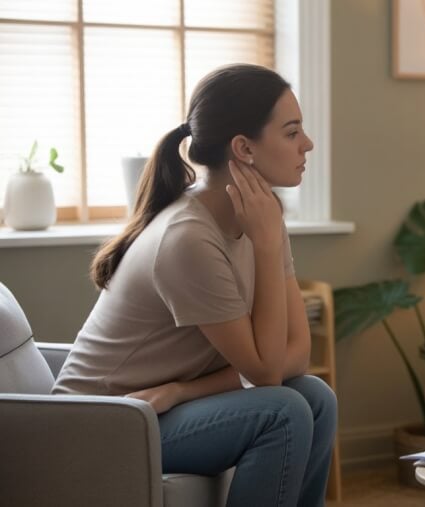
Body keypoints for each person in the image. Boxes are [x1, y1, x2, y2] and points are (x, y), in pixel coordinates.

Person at [52, 64, 336, 507]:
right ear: (244, 148)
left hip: (165, 404)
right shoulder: (188, 238)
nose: (308, 144)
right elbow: (264, 373)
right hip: (103, 422)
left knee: (316, 397)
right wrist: (264, 247)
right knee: (283, 411)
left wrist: (185, 390)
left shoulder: (263, 215)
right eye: (292, 131)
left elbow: (294, 357)